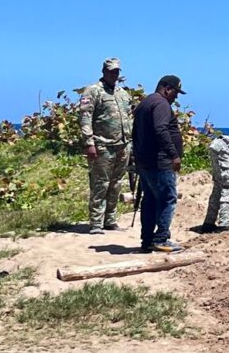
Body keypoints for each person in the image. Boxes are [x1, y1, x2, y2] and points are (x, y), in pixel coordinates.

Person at [132, 75, 187, 253]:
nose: (176, 97)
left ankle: (147, 240)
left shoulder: (144, 103)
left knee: (149, 201)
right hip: (160, 162)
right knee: (167, 199)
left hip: (145, 162)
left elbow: (135, 133)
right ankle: (161, 238)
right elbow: (161, 129)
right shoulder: (161, 104)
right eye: (175, 92)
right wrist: (174, 155)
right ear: (166, 88)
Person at [79, 57, 133, 234]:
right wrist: (89, 143)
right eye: (111, 71)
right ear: (104, 71)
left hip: (122, 145)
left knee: (116, 184)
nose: (114, 74)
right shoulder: (92, 91)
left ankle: (110, 219)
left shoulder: (122, 94)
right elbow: (85, 118)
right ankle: (96, 222)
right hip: (102, 145)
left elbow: (129, 117)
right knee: (100, 184)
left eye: (117, 71)